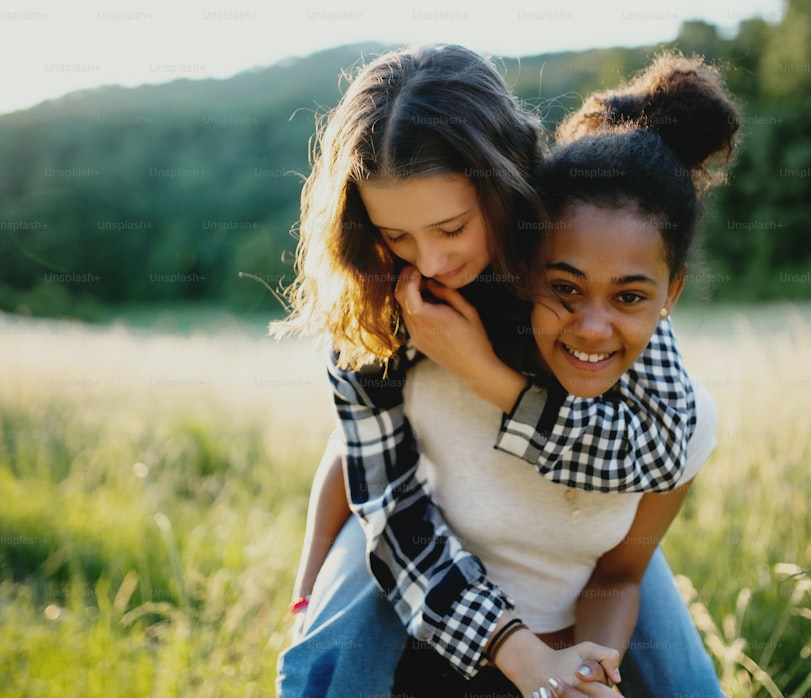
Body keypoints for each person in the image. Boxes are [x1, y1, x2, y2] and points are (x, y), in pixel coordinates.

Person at [273, 45, 736, 697]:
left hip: (589, 525)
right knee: (328, 656)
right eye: (398, 235)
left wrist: (480, 371)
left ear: (503, 181)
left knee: (685, 683)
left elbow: (663, 450)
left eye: (451, 227)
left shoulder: (573, 240)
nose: (428, 262)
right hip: (422, 506)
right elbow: (366, 473)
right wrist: (307, 586)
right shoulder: (379, 294)